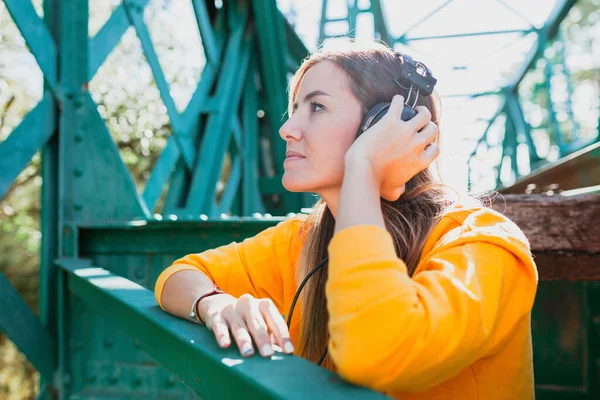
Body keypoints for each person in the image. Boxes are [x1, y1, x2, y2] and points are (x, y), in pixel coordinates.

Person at [154, 40, 538, 399]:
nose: (287, 129)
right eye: (294, 110)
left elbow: (375, 353)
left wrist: (364, 167)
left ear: (382, 124)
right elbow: (180, 274)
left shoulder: (481, 243)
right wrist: (213, 304)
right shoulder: (301, 239)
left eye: (316, 107)